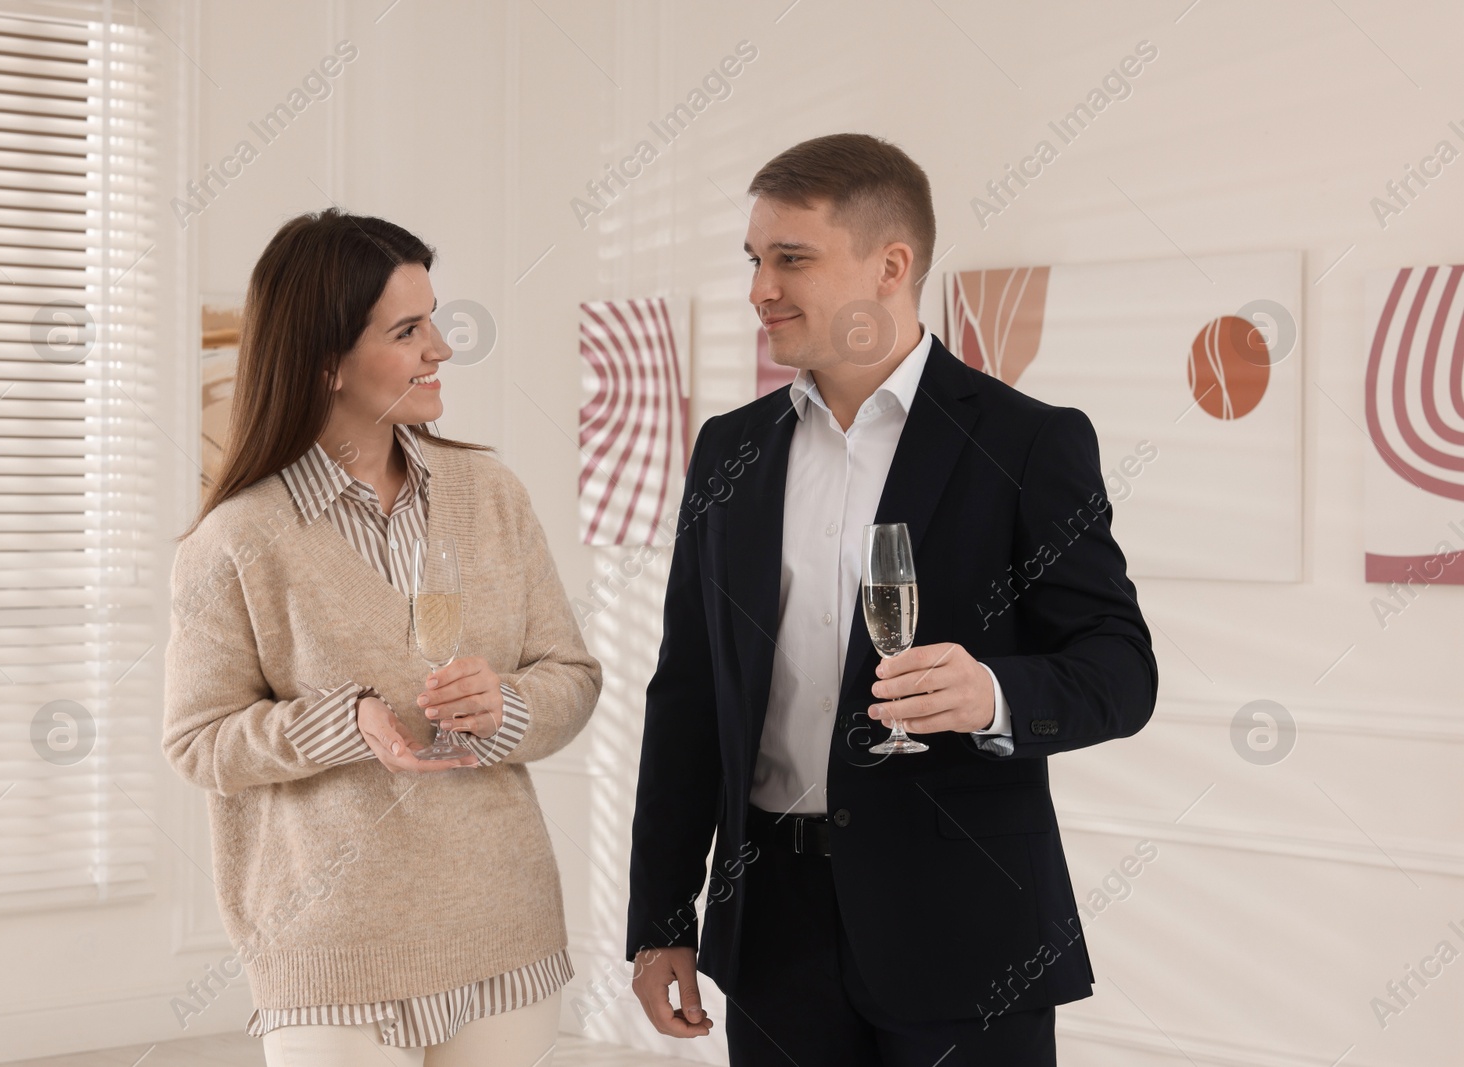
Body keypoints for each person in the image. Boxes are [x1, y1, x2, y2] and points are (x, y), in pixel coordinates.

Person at [626, 133, 1158, 1066]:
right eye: (755, 260)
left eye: (792, 258)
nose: (761, 288)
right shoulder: (729, 451)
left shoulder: (1029, 443)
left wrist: (991, 694)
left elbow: (1120, 669)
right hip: (773, 934)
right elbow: (688, 695)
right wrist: (663, 915)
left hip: (967, 932)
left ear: (891, 265)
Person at [163, 208, 601, 1066]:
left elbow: (572, 677)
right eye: (408, 330)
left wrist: (506, 704)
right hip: (330, 949)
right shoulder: (235, 541)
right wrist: (343, 721)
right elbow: (197, 741)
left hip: (501, 928)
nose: (441, 346)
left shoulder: (491, 493)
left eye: (434, 319)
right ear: (326, 359)